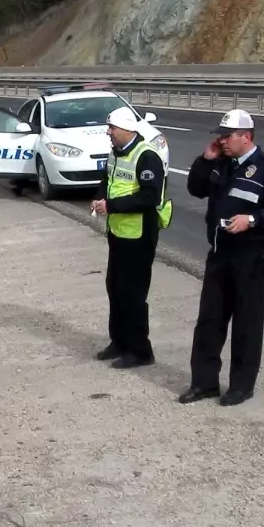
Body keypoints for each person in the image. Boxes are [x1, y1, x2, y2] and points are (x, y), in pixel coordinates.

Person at [179, 109, 264, 406]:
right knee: (209, 321)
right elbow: (195, 189)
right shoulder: (221, 163)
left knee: (246, 322)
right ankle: (204, 383)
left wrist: (253, 220)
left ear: (246, 137)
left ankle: (241, 385)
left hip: (250, 257)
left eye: (226, 135)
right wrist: (205, 159)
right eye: (219, 135)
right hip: (220, 253)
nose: (221, 140)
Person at [90, 105, 171, 369]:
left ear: (126, 129)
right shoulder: (116, 153)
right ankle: (120, 341)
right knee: (114, 287)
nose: (108, 132)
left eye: (111, 128)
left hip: (139, 235)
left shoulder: (147, 156)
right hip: (118, 232)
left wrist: (111, 205)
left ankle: (140, 350)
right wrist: (101, 196)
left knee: (133, 293)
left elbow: (149, 197)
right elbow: (107, 179)